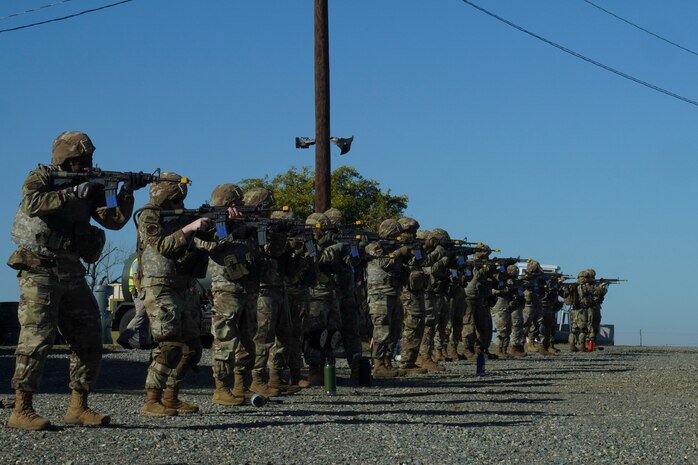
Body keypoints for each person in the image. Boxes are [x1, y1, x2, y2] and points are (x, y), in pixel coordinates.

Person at [7, 131, 145, 430]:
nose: (88, 165)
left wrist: (126, 192)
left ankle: (78, 407)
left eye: (89, 160)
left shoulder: (92, 185)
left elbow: (114, 220)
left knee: (89, 339)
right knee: (37, 339)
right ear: (66, 159)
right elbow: (32, 204)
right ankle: (21, 409)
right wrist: (72, 193)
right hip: (38, 268)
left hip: (72, 270)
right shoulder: (41, 176)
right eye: (81, 161)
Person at [137, 172, 233, 416]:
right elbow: (163, 246)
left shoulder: (180, 217)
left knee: (192, 348)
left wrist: (223, 224)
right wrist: (190, 226)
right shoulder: (150, 215)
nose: (181, 205)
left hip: (181, 285)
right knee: (169, 344)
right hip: (158, 285)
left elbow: (211, 242)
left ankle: (171, 397)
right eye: (177, 200)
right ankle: (152, 400)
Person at [116, 257, 150, 349]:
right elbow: (136, 279)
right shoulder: (137, 262)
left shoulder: (142, 261)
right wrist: (140, 292)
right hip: (137, 293)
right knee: (141, 314)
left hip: (141, 292)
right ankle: (123, 338)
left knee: (145, 316)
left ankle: (144, 343)